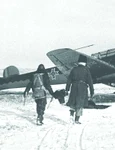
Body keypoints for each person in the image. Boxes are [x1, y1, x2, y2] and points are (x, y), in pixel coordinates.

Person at [65, 55, 94, 124]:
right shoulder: (86, 69)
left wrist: (67, 89)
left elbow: (69, 80)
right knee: (80, 103)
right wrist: (92, 91)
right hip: (82, 88)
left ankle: (71, 116)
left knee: (73, 102)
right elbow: (90, 81)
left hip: (74, 87)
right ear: (85, 62)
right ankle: (77, 120)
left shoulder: (74, 69)